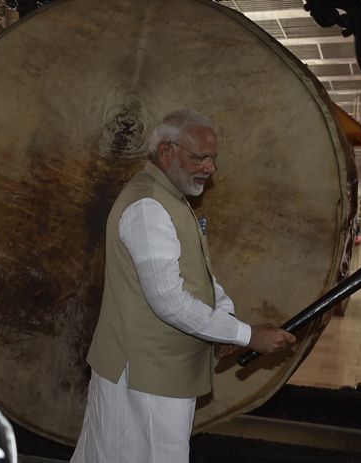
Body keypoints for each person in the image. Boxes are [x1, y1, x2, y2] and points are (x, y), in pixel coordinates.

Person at [71, 109, 296, 462]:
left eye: (213, 158)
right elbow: (168, 300)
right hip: (144, 376)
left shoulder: (171, 200)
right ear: (165, 152)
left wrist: (225, 325)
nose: (210, 168)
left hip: (159, 372)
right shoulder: (149, 206)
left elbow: (200, 276)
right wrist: (246, 335)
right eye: (200, 158)